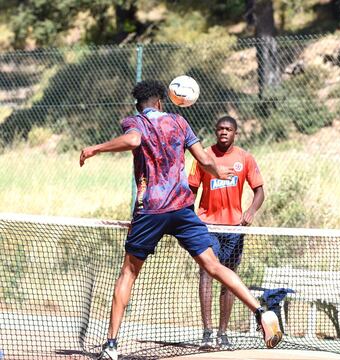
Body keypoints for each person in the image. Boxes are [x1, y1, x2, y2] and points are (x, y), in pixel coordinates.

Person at [79, 80, 282, 360]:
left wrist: (95, 149)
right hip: (182, 209)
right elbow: (203, 159)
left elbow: (134, 140)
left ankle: (111, 346)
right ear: (161, 102)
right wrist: (216, 172)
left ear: (139, 105)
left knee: (128, 273)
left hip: (151, 210)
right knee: (213, 265)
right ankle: (261, 311)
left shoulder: (133, 121)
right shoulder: (179, 121)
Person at [188, 116, 265, 350]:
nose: (224, 132)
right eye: (220, 128)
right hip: (207, 226)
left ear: (235, 133)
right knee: (206, 273)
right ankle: (207, 332)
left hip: (234, 229)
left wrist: (250, 210)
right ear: (215, 131)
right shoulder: (202, 157)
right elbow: (190, 190)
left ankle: (223, 332)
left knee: (229, 280)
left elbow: (259, 191)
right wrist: (190, 219)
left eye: (228, 129)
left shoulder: (245, 158)